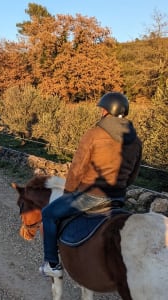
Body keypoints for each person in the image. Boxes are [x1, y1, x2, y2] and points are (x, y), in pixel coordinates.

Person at [39, 92, 142, 278]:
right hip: (118, 198)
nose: (100, 111)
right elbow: (132, 177)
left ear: (106, 111)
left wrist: (68, 194)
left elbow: (77, 170)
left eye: (102, 109)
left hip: (90, 196)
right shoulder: (136, 141)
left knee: (48, 214)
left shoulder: (94, 134)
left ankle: (52, 264)